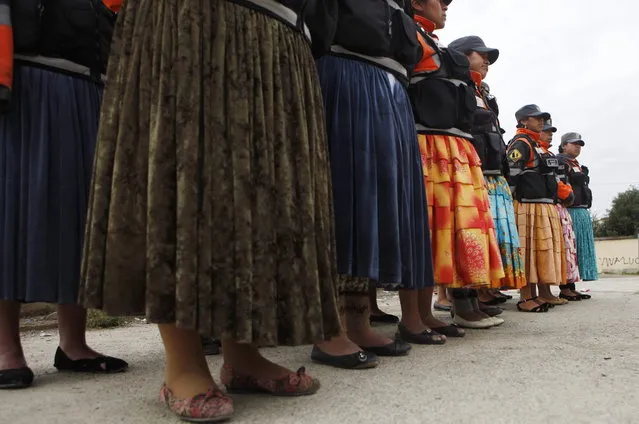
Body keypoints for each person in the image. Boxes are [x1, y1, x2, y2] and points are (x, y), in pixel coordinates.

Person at [80, 0, 343, 421]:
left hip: (280, 28)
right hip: (192, 17)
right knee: (187, 168)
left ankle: (244, 354)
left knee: (263, 191)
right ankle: (183, 364)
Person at [0, 0, 127, 390]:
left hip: (89, 84)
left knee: (80, 215)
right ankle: (6, 350)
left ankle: (74, 344)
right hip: (25, 84)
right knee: (13, 213)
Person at [313, 0, 446, 368]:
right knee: (347, 199)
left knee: (377, 206)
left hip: (389, 90)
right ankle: (329, 329)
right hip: (346, 76)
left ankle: (357, 323)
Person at [408, 0, 505, 330]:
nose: (487, 61)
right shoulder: (414, 38)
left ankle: (467, 301)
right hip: (433, 147)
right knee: (441, 229)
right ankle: (441, 307)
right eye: (482, 55)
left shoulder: (434, 45)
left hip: (459, 150)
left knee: (467, 229)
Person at [448, 35, 526, 307]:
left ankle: (485, 288)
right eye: (482, 56)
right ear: (462, 55)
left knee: (490, 232)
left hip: (490, 171)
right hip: (469, 168)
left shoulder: (482, 92)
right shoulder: (458, 87)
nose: (487, 62)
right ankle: (458, 295)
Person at [506, 105, 568, 312]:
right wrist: (513, 199)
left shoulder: (536, 144)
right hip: (527, 205)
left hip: (543, 205)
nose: (541, 122)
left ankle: (540, 294)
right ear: (524, 121)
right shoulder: (520, 143)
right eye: (536, 118)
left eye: (542, 118)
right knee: (527, 252)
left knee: (539, 253)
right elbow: (513, 174)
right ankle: (525, 297)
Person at [558, 132, 597, 298]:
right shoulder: (560, 161)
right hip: (569, 209)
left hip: (580, 210)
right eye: (574, 143)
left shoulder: (575, 163)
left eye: (579, 145)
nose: (577, 147)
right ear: (564, 145)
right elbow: (559, 185)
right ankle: (565, 287)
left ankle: (571, 285)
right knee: (569, 249)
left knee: (577, 250)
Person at [540, 120, 574, 306]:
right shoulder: (524, 145)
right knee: (538, 251)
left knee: (547, 250)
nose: (549, 133)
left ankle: (546, 291)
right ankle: (532, 295)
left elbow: (555, 180)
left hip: (549, 203)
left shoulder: (548, 153)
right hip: (537, 203)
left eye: (551, 131)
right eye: (546, 130)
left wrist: (567, 193)